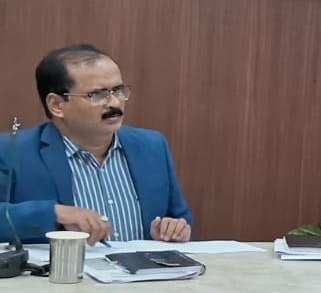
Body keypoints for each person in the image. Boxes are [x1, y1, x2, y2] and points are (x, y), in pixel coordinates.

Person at [0, 45, 192, 244]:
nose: (115, 103)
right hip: (64, 265)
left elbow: (179, 217)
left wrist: (175, 229)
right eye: (98, 95)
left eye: (118, 90)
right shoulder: (11, 151)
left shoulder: (151, 146)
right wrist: (53, 213)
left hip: (139, 264)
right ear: (57, 105)